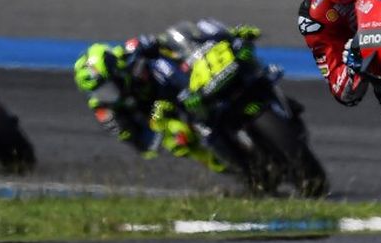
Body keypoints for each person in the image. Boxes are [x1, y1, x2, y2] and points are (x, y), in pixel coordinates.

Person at [73, 25, 259, 173]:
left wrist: (154, 44)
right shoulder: (104, 109)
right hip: (165, 113)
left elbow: (167, 41)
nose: (107, 95)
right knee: (179, 141)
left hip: (182, 81)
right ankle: (236, 169)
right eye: (100, 92)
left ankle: (230, 41)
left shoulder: (127, 53)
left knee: (187, 35)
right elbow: (143, 145)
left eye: (107, 87)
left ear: (116, 71)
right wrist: (161, 128)